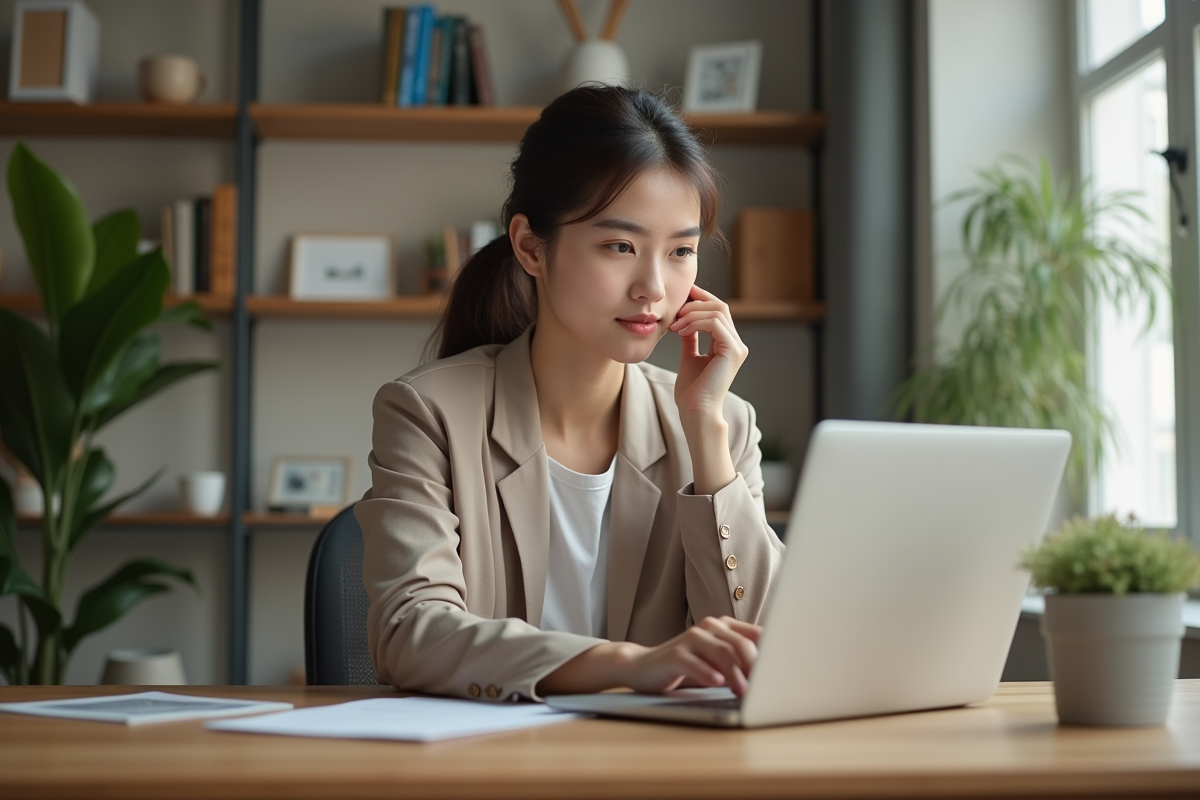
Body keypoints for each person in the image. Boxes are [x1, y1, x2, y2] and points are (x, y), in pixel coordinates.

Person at [356, 84, 785, 703]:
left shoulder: (723, 424)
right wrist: (626, 663)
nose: (654, 288)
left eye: (682, 251)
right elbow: (409, 631)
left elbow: (764, 642)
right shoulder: (429, 412)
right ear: (532, 246)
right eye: (620, 246)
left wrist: (707, 436)